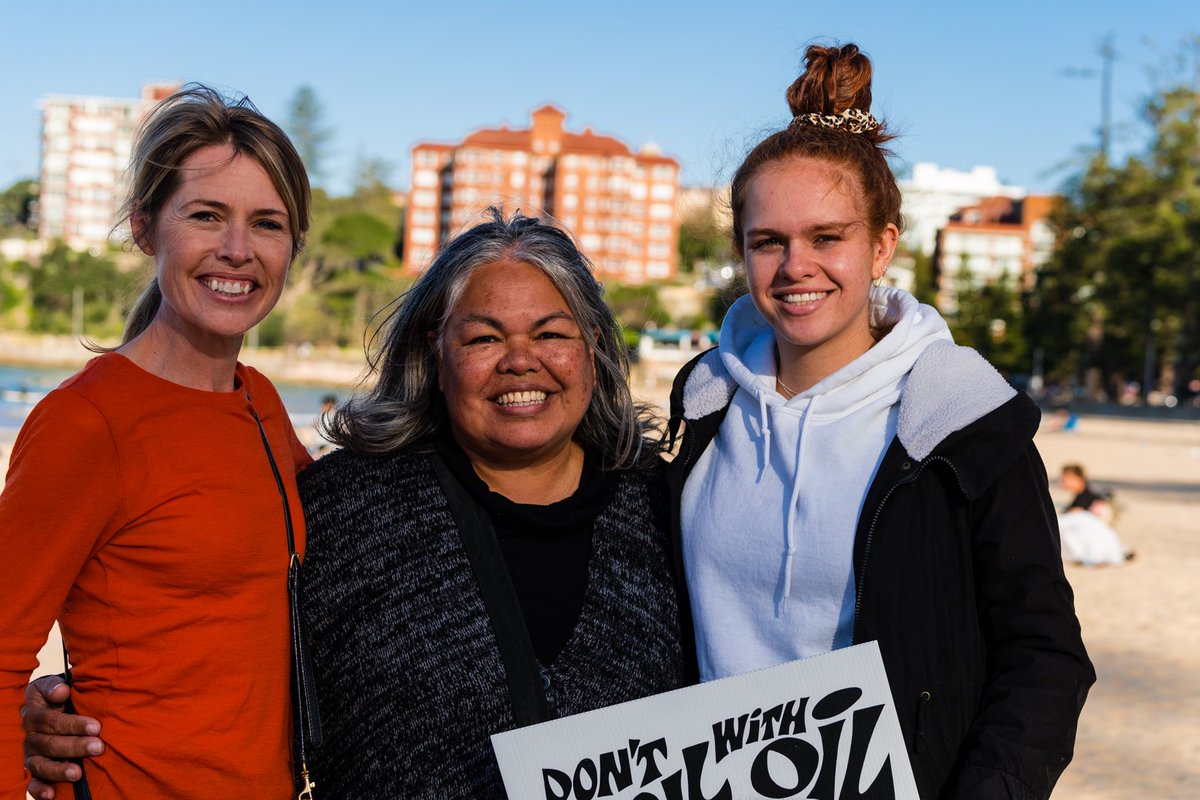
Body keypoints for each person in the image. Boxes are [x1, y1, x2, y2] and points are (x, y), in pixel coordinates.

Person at [21, 210, 687, 798]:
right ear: (436, 349)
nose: (520, 361)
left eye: (551, 334)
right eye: (483, 337)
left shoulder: (670, 510)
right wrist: (57, 711)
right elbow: (216, 640)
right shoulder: (346, 510)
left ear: (594, 347)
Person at [665, 43, 1094, 799]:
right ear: (742, 251)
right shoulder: (699, 406)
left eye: (827, 237)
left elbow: (1043, 656)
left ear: (882, 245)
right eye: (769, 241)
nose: (797, 265)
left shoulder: (962, 421)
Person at [0, 85, 312, 797]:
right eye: (206, 216)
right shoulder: (87, 422)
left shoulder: (259, 401)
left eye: (267, 223)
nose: (237, 250)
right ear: (145, 227)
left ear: (292, 246)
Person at [1058, 463, 1131, 566]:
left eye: (1064, 479)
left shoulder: (1092, 495)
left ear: (1076, 478)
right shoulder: (1081, 495)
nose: (1061, 483)